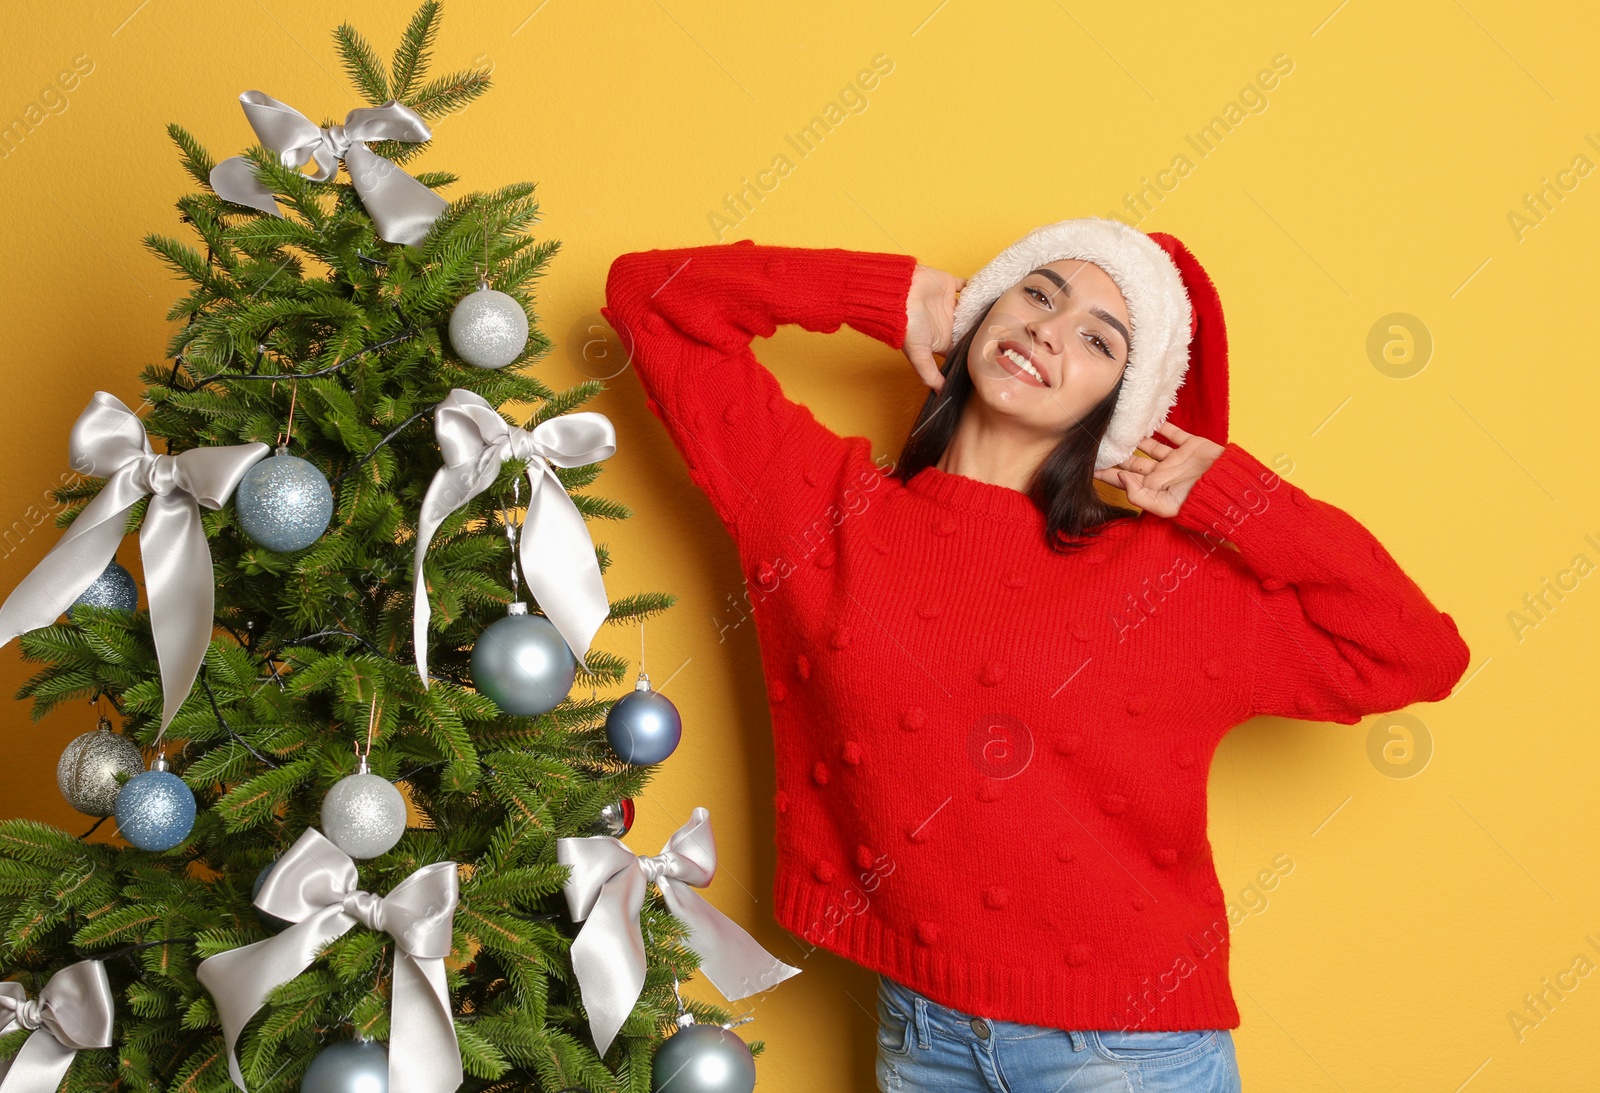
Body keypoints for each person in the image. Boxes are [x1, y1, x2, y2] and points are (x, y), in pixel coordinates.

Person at [600, 218, 1471, 1092]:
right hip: (919, 1037)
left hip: (1129, 1055)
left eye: (1099, 338)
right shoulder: (818, 511)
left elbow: (1416, 654)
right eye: (1038, 293)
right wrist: (877, 293)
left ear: (1121, 404)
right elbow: (650, 297)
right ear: (979, 312)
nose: (1052, 330)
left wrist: (1239, 497)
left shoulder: (1166, 580)